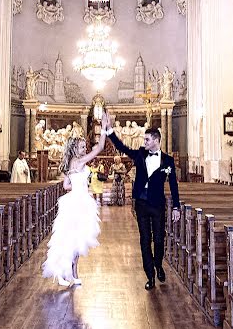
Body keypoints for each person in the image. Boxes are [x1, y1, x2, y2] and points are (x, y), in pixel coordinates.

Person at [103, 117, 181, 290]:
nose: (144, 141)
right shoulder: (140, 154)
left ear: (156, 141)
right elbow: (122, 147)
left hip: (158, 204)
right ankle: (150, 276)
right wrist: (109, 131)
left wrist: (176, 206)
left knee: (159, 239)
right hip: (141, 204)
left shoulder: (167, 161)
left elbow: (173, 184)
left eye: (147, 139)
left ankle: (158, 264)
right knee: (145, 240)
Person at [42, 112, 109, 287]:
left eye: (84, 147)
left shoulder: (72, 163)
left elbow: (66, 186)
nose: (84, 149)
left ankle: (71, 273)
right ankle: (69, 273)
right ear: (74, 149)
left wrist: (80, 184)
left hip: (75, 199)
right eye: (81, 147)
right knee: (74, 239)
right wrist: (104, 129)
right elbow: (100, 148)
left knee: (75, 239)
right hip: (79, 202)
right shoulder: (78, 162)